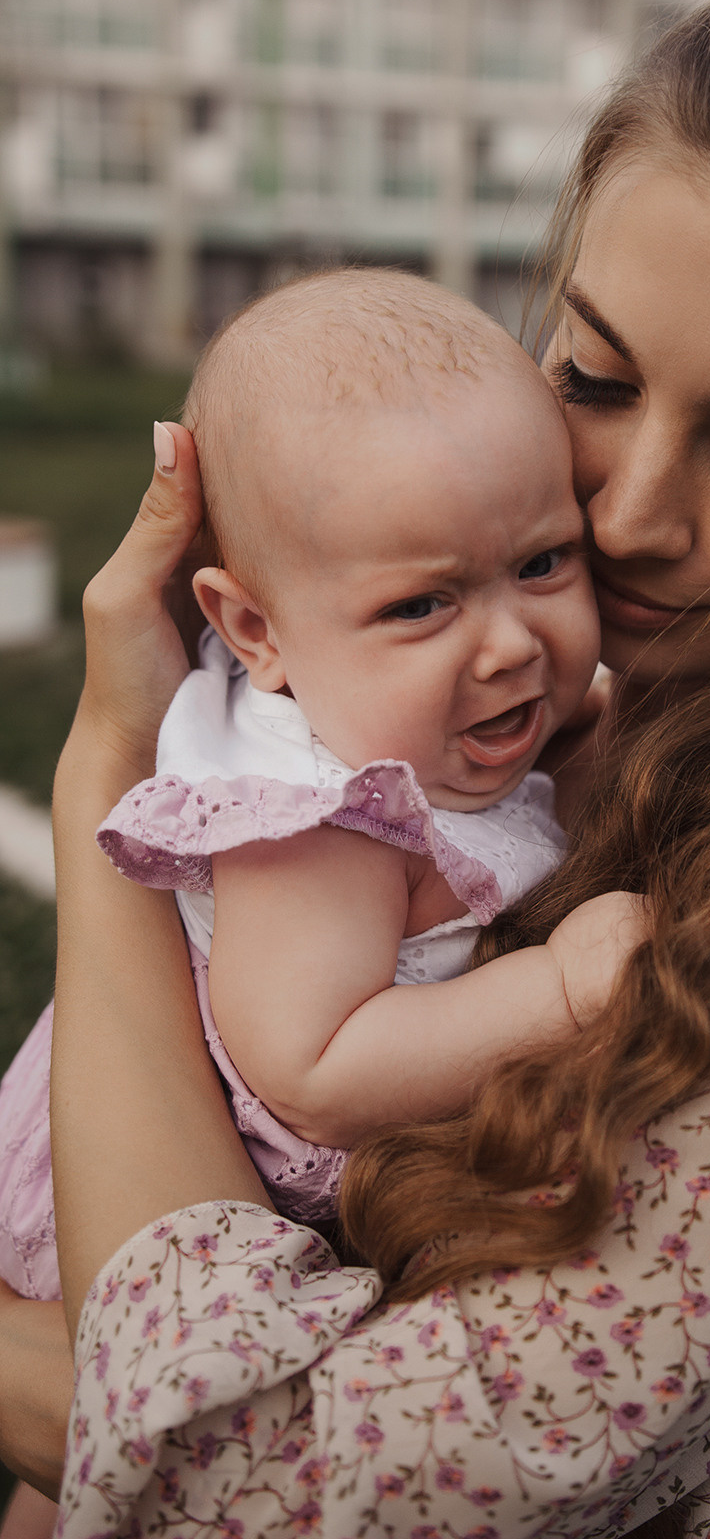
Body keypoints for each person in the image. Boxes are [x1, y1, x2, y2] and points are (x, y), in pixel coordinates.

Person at [5, 0, 710, 1536]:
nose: (622, 518)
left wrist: (110, 794)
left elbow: (278, 1490)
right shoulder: (598, 711)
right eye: (590, 377)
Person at [0, 266, 646, 1304]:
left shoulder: (384, 705)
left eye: (540, 563)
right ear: (254, 630)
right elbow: (315, 1072)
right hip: (154, 1212)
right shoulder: (317, 819)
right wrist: (561, 992)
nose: (512, 645)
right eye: (420, 606)